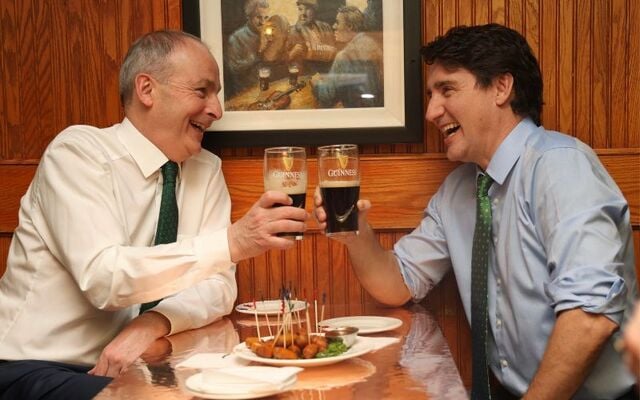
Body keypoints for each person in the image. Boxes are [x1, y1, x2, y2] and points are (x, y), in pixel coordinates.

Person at [314, 24, 637, 399]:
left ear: (501, 87)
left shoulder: (561, 167)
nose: (433, 111)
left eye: (447, 90)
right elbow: (397, 283)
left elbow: (590, 318)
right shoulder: (460, 189)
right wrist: (355, 229)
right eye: (431, 95)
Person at [0, 30, 307, 399]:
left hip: (137, 364)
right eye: (202, 91)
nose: (216, 110)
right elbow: (105, 278)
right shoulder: (78, 153)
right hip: (36, 366)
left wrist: (153, 322)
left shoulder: (204, 169)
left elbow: (218, 287)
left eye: (217, 94)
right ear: (147, 89)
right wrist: (233, 242)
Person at [311, 6, 383, 108]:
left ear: (349, 26)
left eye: (337, 22)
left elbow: (327, 95)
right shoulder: (372, 44)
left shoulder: (344, 56)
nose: (334, 26)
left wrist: (316, 83)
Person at [225, 0, 286, 97]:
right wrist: (260, 52)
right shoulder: (236, 38)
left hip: (269, 89)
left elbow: (272, 63)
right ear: (248, 17)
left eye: (266, 17)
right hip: (246, 92)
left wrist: (277, 47)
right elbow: (235, 69)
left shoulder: (268, 34)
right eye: (258, 17)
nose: (263, 22)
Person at [287, 0, 336, 75]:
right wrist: (291, 54)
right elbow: (282, 60)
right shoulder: (291, 32)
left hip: (326, 74)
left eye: (307, 9)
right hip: (304, 77)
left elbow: (333, 52)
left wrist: (311, 51)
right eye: (300, 9)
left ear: (314, 11)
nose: (303, 13)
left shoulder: (325, 27)